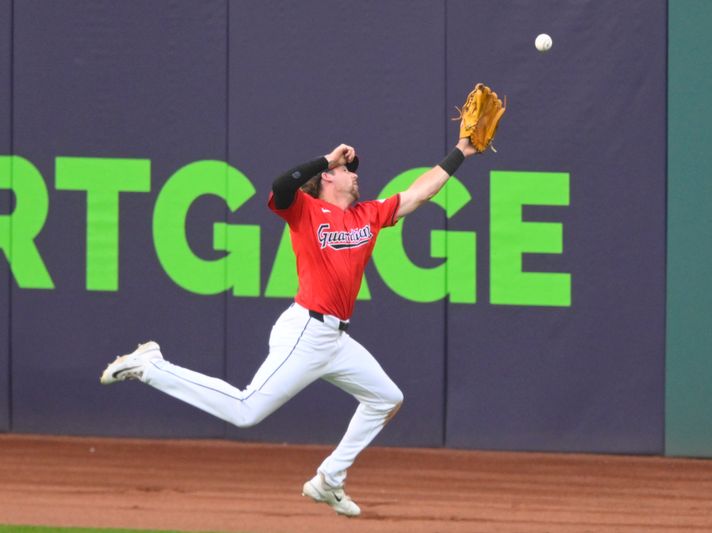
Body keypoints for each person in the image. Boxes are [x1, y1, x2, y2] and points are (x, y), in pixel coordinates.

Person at [100, 134, 479, 517]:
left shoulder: (367, 214)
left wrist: (461, 151)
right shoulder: (305, 209)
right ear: (327, 178)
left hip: (335, 338)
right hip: (306, 331)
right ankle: (151, 366)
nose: (352, 174)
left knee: (386, 398)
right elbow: (281, 186)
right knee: (246, 410)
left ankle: (329, 479)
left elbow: (418, 193)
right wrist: (326, 158)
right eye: (345, 170)